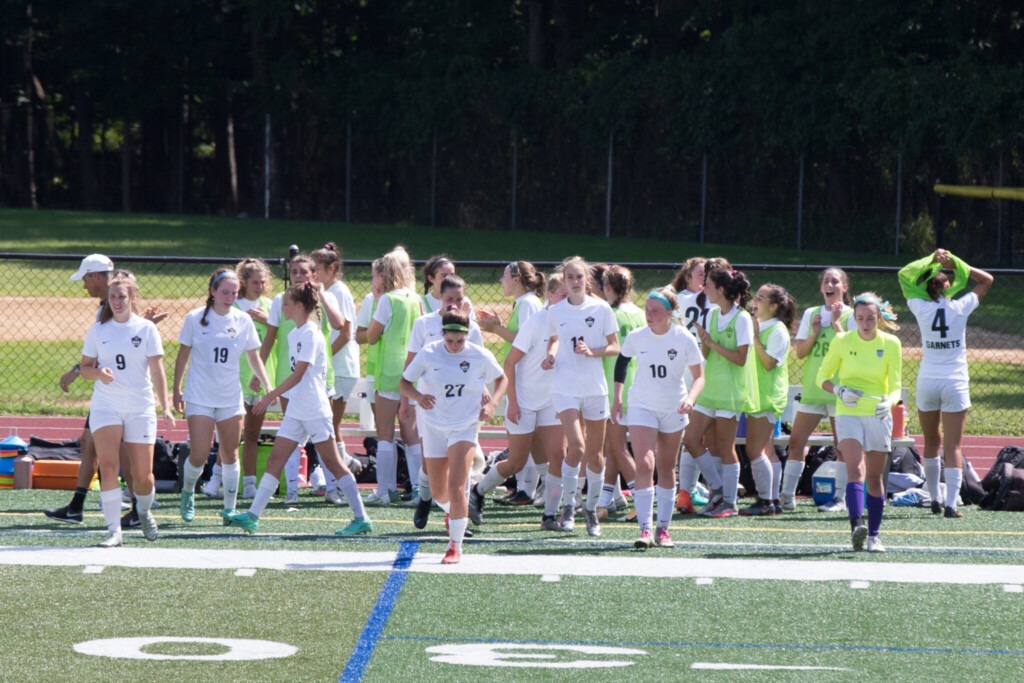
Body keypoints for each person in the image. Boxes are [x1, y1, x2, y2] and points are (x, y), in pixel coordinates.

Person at [228, 282, 371, 536]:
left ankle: (361, 518)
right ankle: (252, 516)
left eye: (286, 303)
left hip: (315, 409)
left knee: (334, 464)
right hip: (297, 409)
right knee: (275, 459)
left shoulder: (311, 334)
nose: (281, 307)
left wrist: (270, 394)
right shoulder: (294, 334)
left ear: (299, 306)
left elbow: (300, 374)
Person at [46, 254, 166, 527]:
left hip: (125, 395)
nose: (85, 285)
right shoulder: (106, 312)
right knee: (92, 446)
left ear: (97, 276)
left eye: (86, 278)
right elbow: (103, 353)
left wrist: (76, 372)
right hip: (108, 395)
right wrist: (81, 371)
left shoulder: (109, 309)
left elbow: (123, 348)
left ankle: (137, 506)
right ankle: (83, 505)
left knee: (121, 455)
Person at [400, 307, 507, 564]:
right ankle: (454, 513)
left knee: (458, 485)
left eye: (460, 340)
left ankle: (454, 547)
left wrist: (492, 405)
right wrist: (417, 397)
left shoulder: (479, 355)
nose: (455, 345)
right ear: (442, 334)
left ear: (468, 335)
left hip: (465, 426)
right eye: (450, 340)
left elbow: (502, 379)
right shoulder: (429, 353)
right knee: (439, 493)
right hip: (435, 426)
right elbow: (404, 382)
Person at [79, 272, 175, 547]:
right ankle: (113, 531)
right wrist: (98, 373)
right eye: (113, 297)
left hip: (139, 406)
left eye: (122, 297)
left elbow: (157, 370)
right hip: (106, 405)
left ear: (133, 299)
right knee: (108, 466)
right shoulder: (99, 330)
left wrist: (165, 407)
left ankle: (143, 510)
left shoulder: (146, 329)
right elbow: (85, 368)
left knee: (142, 476)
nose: (117, 301)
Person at [173, 268, 272, 524]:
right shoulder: (195, 318)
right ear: (213, 291)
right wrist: (177, 389)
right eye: (225, 292)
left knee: (230, 452)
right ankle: (188, 492)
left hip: (229, 397)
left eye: (234, 293)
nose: (229, 297)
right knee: (199, 453)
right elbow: (183, 355)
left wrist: (268, 385)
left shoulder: (242, 320)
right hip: (200, 396)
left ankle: (229, 508)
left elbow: (253, 356)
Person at [899, 248, 993, 517]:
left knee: (931, 441)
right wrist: (956, 262)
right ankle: (951, 503)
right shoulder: (960, 306)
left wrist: (931, 259)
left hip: (928, 380)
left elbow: (905, 277)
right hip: (955, 382)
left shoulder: (919, 307)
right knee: (953, 446)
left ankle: (934, 499)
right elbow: (986, 280)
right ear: (948, 285)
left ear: (925, 287)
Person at [470, 273, 566, 529]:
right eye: (563, 296)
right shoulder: (536, 323)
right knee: (516, 462)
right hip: (523, 400)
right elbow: (509, 363)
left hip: (550, 402)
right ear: (551, 296)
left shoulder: (570, 321)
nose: (568, 301)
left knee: (559, 455)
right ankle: (477, 492)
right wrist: (512, 402)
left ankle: (550, 515)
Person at [613, 286, 704, 549]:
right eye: (647, 309)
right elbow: (622, 362)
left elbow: (699, 376)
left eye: (655, 310)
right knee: (644, 463)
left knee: (665, 467)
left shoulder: (683, 338)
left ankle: (663, 529)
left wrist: (690, 399)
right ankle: (645, 529)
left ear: (669, 312)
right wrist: (618, 397)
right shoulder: (637, 336)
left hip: (673, 408)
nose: (649, 314)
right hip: (642, 405)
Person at [542, 256, 620, 536]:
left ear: (588, 280)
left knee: (596, 457)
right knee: (576, 447)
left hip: (594, 389)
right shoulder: (556, 310)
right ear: (563, 281)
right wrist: (550, 357)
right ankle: (568, 506)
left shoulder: (601, 309)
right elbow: (553, 340)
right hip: (565, 388)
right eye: (570, 277)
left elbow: (615, 347)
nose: (575, 282)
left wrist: (593, 352)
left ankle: (591, 511)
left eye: (579, 277)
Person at [817, 293, 901, 552]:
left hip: (877, 414)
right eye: (860, 318)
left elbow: (896, 385)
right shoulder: (842, 340)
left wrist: (890, 403)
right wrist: (839, 390)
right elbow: (822, 377)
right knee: (856, 471)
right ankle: (857, 526)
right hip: (848, 413)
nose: (865, 323)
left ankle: (875, 535)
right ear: (853, 318)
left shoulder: (891, 344)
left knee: (874, 479)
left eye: (870, 319)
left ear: (879, 318)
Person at [259, 253, 345, 504]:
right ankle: (292, 491)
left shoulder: (319, 299)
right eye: (294, 271)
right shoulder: (281, 300)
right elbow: (270, 336)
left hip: (318, 379)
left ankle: (333, 489)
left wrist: (321, 295)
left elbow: (341, 325)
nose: (298, 276)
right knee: (290, 436)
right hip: (289, 376)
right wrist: (260, 371)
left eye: (303, 272)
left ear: (313, 275)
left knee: (324, 436)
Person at [407, 273, 484, 524]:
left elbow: (480, 364)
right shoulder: (424, 324)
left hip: (462, 407)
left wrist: (484, 393)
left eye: (459, 299)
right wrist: (409, 400)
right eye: (449, 298)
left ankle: (455, 517)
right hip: (431, 405)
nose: (454, 303)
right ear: (440, 295)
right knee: (432, 465)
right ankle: (426, 498)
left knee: (458, 467)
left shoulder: (470, 326)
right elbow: (410, 366)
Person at [779, 268, 857, 512]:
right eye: (826, 281)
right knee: (796, 441)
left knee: (841, 445)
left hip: (838, 389)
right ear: (822, 287)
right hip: (814, 388)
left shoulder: (852, 316)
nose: (830, 284)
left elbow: (853, 352)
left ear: (844, 287)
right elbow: (800, 353)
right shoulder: (811, 313)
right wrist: (814, 332)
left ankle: (841, 498)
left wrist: (835, 324)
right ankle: (786, 497)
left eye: (835, 281)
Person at [683, 267, 757, 518]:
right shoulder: (712, 314)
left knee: (724, 448)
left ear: (722, 289)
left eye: (709, 285)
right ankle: (717, 490)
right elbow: (707, 355)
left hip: (731, 392)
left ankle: (729, 503)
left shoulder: (742, 318)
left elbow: (741, 358)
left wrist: (712, 343)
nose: (705, 289)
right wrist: (705, 342)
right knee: (691, 439)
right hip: (711, 388)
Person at [476, 260, 546, 505]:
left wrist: (496, 329)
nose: (500, 280)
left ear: (517, 278)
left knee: (524, 442)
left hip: (525, 382)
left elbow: (526, 342)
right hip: (525, 380)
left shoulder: (527, 303)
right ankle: (530, 490)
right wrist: (497, 327)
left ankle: (481, 492)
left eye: (505, 275)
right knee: (532, 438)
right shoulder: (525, 303)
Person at [366, 246, 421, 505]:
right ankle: (421, 490)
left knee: (385, 433)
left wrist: (377, 301)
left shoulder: (387, 300)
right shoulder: (415, 298)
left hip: (389, 373)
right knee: (412, 435)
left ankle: (386, 491)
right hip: (412, 372)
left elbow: (371, 335)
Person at [311, 242, 365, 502]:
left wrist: (324, 357)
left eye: (317, 269)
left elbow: (345, 332)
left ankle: (341, 473)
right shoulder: (325, 291)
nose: (313, 274)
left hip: (341, 367)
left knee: (330, 425)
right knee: (330, 425)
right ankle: (344, 467)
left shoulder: (338, 291)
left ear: (331, 269)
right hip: (336, 367)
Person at [740, 284, 796, 516]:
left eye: (761, 298)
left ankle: (765, 501)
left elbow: (769, 363)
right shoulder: (760, 325)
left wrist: (754, 337)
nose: (755, 301)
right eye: (756, 296)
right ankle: (773, 500)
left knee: (754, 449)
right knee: (764, 449)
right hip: (756, 397)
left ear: (773, 306)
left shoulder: (777, 330)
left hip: (767, 398)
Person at [596, 265, 645, 520]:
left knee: (617, 446)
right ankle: (603, 503)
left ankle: (642, 501)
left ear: (607, 288)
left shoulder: (607, 312)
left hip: (615, 387)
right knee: (612, 446)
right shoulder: (639, 313)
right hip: (634, 384)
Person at [232, 258, 276, 500]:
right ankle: (216, 480)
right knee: (230, 435)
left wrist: (266, 321)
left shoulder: (269, 305)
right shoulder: (234, 306)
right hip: (237, 378)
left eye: (262, 282)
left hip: (260, 378)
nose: (259, 286)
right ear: (244, 283)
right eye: (254, 282)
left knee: (251, 434)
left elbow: (279, 333)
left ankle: (249, 484)